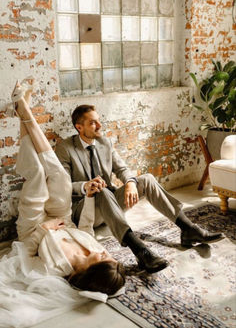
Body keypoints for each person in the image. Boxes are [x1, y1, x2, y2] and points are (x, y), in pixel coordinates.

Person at [55, 104, 223, 273]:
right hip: (84, 209)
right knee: (102, 190)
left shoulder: (104, 143)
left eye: (99, 121)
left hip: (110, 201)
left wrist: (130, 183)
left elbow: (122, 169)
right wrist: (86, 186)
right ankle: (140, 251)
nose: (99, 126)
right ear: (79, 127)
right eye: (93, 123)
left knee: (146, 179)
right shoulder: (66, 148)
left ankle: (188, 229)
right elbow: (62, 185)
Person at [9, 82, 125, 296]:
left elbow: (23, 254)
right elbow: (87, 227)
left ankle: (23, 109)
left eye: (104, 257)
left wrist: (45, 229)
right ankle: (23, 110)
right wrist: (89, 197)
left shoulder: (57, 270)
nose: (103, 251)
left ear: (93, 269)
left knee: (36, 172)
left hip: (34, 227)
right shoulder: (96, 249)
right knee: (59, 174)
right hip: (63, 216)